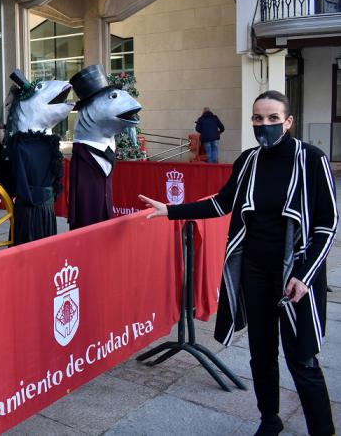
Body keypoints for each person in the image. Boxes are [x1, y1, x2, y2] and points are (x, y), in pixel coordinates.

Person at [139, 91, 336, 436]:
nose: (265, 125)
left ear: (288, 122)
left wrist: (305, 276)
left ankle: (322, 430)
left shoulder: (311, 159)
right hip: (255, 272)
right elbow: (221, 204)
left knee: (302, 359)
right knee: (261, 354)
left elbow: (327, 224)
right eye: (258, 118)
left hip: (296, 278)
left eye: (273, 118)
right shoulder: (248, 161)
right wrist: (170, 210)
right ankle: (269, 420)